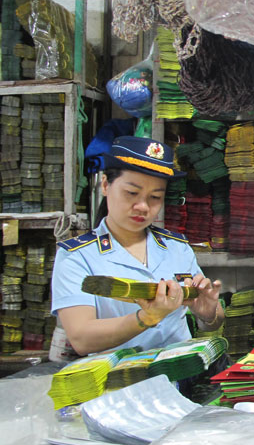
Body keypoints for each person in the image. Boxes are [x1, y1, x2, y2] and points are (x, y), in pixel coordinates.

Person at [52, 136, 225, 355]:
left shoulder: (177, 248)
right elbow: (82, 338)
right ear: (105, 185)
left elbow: (213, 320)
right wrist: (146, 318)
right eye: (132, 193)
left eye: (155, 197)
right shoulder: (78, 257)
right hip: (119, 383)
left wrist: (208, 313)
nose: (143, 206)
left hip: (180, 380)